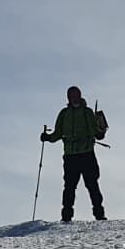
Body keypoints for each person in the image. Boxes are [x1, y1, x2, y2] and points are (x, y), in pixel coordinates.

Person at [41, 86, 108, 222]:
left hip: (84, 154)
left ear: (79, 96)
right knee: (71, 187)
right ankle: (67, 216)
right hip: (73, 155)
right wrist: (48, 138)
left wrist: (100, 132)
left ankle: (98, 214)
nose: (73, 98)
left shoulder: (86, 112)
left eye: (74, 95)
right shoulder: (65, 114)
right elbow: (58, 133)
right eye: (71, 96)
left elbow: (96, 132)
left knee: (90, 185)